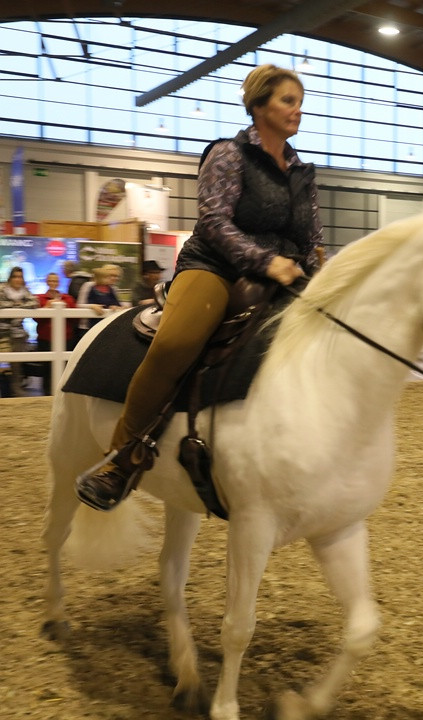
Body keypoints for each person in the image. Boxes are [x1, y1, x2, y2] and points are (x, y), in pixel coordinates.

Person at [76, 64, 323, 512]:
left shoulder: (302, 171)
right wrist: (265, 261)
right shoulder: (228, 154)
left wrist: (320, 272)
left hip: (286, 272)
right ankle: (121, 459)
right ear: (259, 104)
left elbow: (313, 238)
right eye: (288, 100)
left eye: (300, 102)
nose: (297, 110)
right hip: (216, 267)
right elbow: (213, 222)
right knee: (177, 342)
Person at [0, 267, 40, 397]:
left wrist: (17, 305)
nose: (18, 279)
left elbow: (34, 302)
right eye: (15, 276)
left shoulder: (25, 291)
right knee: (3, 367)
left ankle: (15, 394)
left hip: (18, 334)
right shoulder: (2, 289)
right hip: (2, 334)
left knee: (17, 366)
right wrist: (15, 304)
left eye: (20, 277)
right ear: (10, 278)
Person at [36, 271, 77, 395]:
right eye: (50, 281)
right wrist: (45, 308)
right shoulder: (39, 298)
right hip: (45, 339)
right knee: (46, 369)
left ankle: (63, 395)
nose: (53, 283)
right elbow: (35, 318)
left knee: (65, 369)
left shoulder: (68, 298)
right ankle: (46, 395)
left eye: (55, 281)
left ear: (59, 283)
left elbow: (76, 319)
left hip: (66, 338)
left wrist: (66, 309)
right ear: (46, 282)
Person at [75, 264, 123, 344]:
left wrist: (115, 307)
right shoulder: (89, 286)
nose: (114, 278)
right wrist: (92, 306)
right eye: (111, 275)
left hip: (106, 327)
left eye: (117, 276)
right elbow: (79, 305)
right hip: (88, 327)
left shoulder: (113, 289)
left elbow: (117, 304)